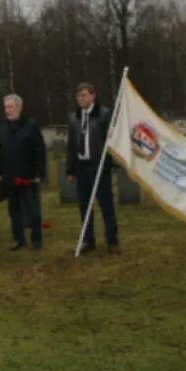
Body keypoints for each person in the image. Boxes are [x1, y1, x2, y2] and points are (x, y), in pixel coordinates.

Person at [66, 82, 120, 255]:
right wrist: (70, 169)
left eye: (84, 95)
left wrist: (110, 163)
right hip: (82, 167)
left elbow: (111, 141)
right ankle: (88, 240)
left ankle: (112, 241)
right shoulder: (74, 118)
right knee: (84, 206)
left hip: (99, 166)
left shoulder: (104, 115)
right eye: (78, 96)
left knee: (106, 205)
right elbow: (71, 145)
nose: (81, 99)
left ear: (93, 96)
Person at [0, 94, 47, 251]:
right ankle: (18, 238)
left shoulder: (30, 125)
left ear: (19, 107)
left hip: (28, 175)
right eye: (6, 107)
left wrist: (38, 173)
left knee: (33, 209)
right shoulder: (3, 126)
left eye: (11, 107)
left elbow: (39, 150)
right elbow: (1, 150)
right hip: (9, 174)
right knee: (14, 209)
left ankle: (36, 239)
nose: (8, 111)